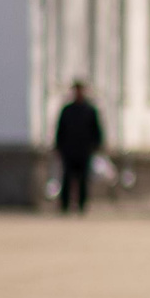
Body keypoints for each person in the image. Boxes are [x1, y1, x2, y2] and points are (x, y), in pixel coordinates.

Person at [53, 80, 104, 215]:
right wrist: (58, 146)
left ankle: (81, 204)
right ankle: (64, 205)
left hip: (84, 150)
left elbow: (96, 130)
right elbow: (60, 130)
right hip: (69, 150)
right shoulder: (67, 110)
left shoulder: (89, 110)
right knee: (67, 177)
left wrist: (97, 145)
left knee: (83, 179)